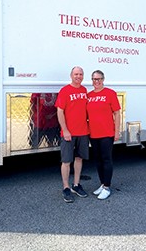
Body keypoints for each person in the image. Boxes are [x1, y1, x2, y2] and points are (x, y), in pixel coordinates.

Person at [55, 66, 89, 203]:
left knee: (79, 158)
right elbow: (60, 111)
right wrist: (65, 130)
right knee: (66, 161)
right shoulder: (65, 91)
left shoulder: (84, 90)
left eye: (81, 74)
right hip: (68, 133)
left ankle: (76, 185)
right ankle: (66, 187)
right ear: (71, 75)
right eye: (76, 74)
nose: (78, 76)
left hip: (83, 132)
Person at [87, 70, 121, 200]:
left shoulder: (110, 93)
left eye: (99, 79)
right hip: (93, 133)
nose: (97, 81)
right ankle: (102, 183)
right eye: (94, 79)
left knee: (106, 159)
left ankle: (107, 187)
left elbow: (117, 113)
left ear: (103, 79)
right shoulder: (89, 95)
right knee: (98, 160)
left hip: (107, 133)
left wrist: (116, 131)